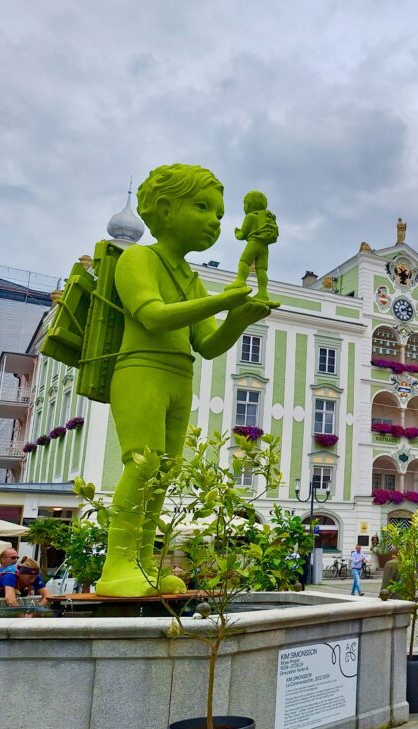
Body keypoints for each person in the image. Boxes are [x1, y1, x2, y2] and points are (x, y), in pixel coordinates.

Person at [95, 164, 276, 597]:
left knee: (164, 474)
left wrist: (238, 318)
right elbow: (152, 315)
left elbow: (209, 345)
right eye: (202, 208)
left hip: (179, 374)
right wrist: (223, 299)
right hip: (141, 368)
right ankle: (116, 566)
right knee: (143, 465)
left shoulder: (190, 277)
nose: (215, 221)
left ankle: (143, 563)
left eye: (218, 213)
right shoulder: (138, 258)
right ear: (163, 209)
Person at [228, 190, 278, 301]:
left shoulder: (250, 217)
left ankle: (240, 282)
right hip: (265, 247)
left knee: (244, 262)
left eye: (245, 203)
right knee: (261, 269)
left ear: (249, 204)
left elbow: (242, 235)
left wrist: (237, 232)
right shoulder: (267, 219)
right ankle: (263, 292)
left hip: (253, 244)